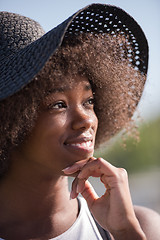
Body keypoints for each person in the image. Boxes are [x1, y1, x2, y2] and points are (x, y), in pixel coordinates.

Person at [0, 3, 160, 240]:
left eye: (89, 101)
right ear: (9, 120)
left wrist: (126, 233)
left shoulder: (140, 227)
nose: (86, 120)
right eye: (58, 104)